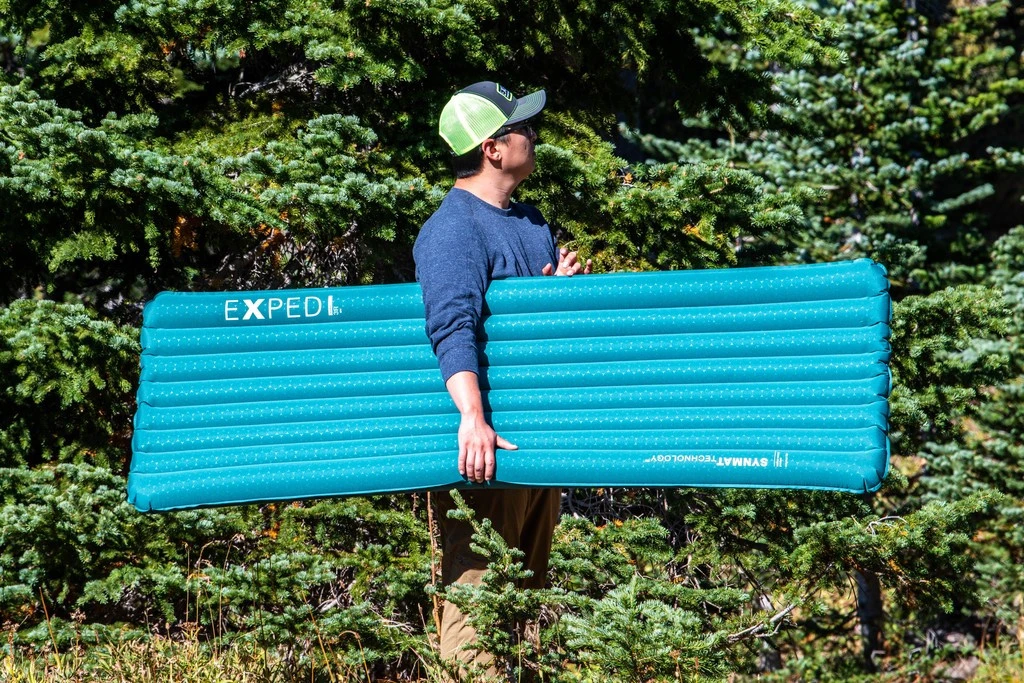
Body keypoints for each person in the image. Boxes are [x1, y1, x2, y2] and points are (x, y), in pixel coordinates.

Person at [413, 80, 591, 675]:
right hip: (488, 444)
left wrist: (553, 295)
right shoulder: (453, 229)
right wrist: (472, 418)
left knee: (527, 603)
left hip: (537, 441)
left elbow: (521, 323)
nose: (534, 136)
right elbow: (451, 324)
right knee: (478, 602)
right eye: (523, 129)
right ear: (492, 148)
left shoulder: (530, 222)